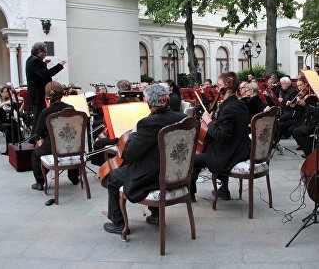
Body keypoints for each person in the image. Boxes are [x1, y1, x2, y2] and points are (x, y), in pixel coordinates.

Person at [103, 84, 186, 234]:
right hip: (179, 176)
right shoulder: (184, 119)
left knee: (113, 176)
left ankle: (118, 223)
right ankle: (155, 216)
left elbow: (129, 154)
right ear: (166, 99)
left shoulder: (147, 123)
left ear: (147, 102)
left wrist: (134, 132)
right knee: (153, 162)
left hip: (155, 178)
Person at [190, 72, 250, 201]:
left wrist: (208, 121)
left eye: (218, 86)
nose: (217, 89)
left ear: (227, 87)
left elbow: (222, 136)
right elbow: (231, 129)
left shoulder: (228, 109)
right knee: (211, 147)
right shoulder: (241, 104)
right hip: (242, 149)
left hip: (230, 154)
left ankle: (189, 194)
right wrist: (215, 121)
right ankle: (223, 189)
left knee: (192, 159)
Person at [31, 81, 79, 191]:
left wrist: (40, 139)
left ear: (48, 96)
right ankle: (74, 177)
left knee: (35, 153)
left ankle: (39, 182)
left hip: (51, 149)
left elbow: (38, 132)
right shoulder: (71, 108)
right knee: (72, 145)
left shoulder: (46, 111)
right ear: (62, 94)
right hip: (71, 147)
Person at [26, 42, 66, 142]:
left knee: (39, 117)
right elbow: (46, 74)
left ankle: (38, 138)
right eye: (45, 52)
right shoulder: (35, 61)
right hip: (38, 94)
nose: (46, 54)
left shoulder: (31, 59)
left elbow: (38, 72)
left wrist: (44, 63)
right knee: (38, 119)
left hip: (36, 94)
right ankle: (34, 140)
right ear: (39, 51)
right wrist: (59, 65)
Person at [0, 85, 24, 155]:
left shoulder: (12, 101)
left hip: (11, 122)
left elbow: (19, 112)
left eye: (8, 91)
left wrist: (23, 103)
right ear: (1, 93)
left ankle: (19, 147)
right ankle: (9, 150)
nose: (8, 93)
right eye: (6, 92)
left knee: (16, 126)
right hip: (1, 123)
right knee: (9, 127)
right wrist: (4, 103)